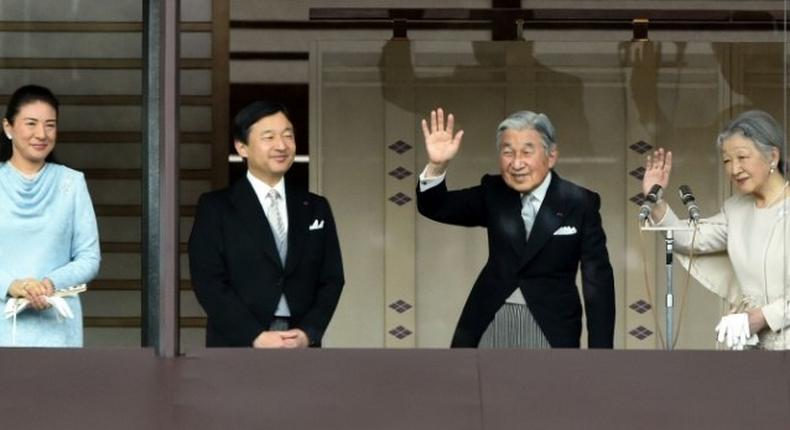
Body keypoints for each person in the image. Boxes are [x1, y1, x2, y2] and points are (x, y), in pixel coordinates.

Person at [417, 108, 615, 348]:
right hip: (489, 320)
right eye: (508, 152)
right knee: (480, 385)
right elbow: (435, 207)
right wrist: (437, 165)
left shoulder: (579, 203)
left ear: (551, 156)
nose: (517, 163)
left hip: (552, 326)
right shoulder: (494, 192)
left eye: (527, 152)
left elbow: (598, 282)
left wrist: (601, 354)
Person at [188, 101, 344, 348]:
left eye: (288, 136)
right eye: (268, 137)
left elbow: (331, 278)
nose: (281, 146)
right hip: (237, 342)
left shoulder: (315, 207)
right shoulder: (215, 207)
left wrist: (308, 332)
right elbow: (208, 280)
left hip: (300, 343)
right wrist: (254, 336)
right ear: (242, 147)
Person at [643, 110, 789, 350]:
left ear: (772, 156)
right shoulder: (736, 210)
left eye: (742, 157)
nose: (734, 169)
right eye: (727, 161)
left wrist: (764, 317)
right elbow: (688, 240)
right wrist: (655, 200)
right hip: (752, 345)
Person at [0, 85, 100, 347]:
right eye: (31, 123)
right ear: (8, 127)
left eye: (50, 125)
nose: (41, 134)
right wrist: (12, 285)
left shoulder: (72, 183)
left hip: (57, 326)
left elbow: (89, 257)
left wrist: (49, 283)